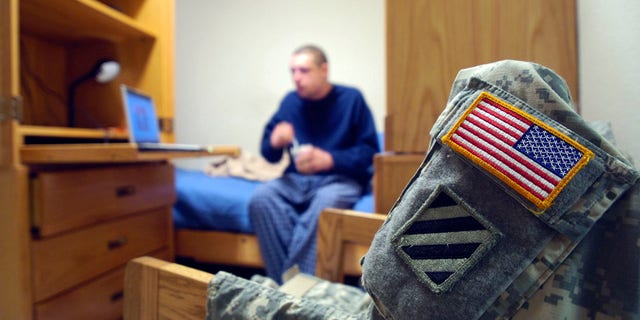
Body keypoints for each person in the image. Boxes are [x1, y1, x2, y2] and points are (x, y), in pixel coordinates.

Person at [248, 45, 380, 282]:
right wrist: (275, 141)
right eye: (293, 71)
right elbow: (269, 154)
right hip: (296, 180)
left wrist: (330, 160)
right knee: (261, 198)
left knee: (325, 205)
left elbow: (369, 153)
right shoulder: (290, 102)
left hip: (339, 180)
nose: (297, 78)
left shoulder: (351, 99)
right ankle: (293, 286)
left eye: (304, 70)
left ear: (324, 70)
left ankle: (293, 285)